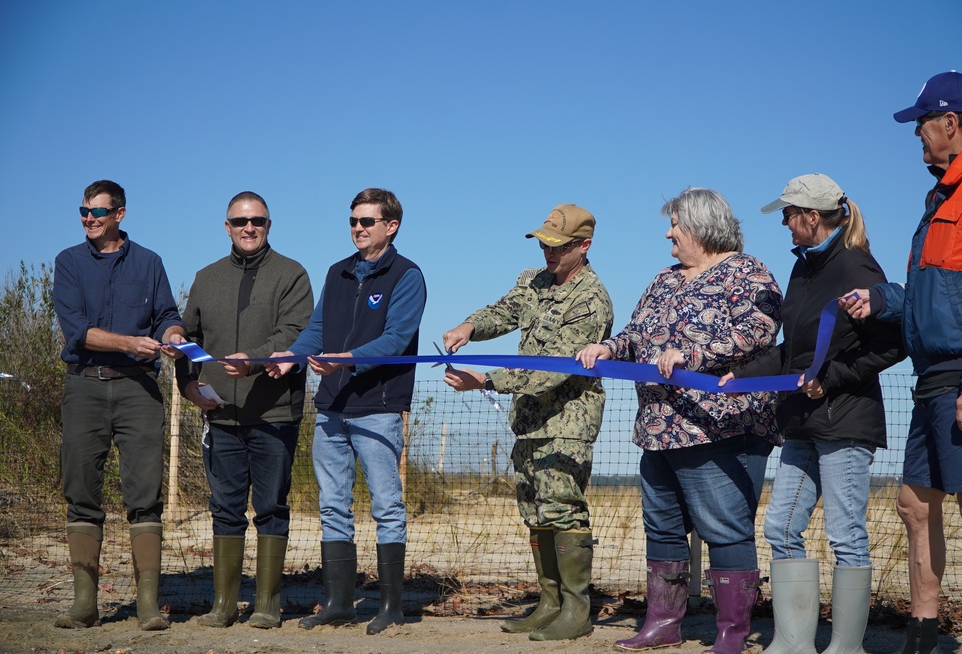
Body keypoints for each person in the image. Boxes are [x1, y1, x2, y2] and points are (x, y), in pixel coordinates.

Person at [577, 187, 782, 654]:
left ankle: (731, 633)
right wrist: (609, 347)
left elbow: (760, 329)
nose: (669, 233)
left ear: (702, 227)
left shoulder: (747, 272)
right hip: (658, 428)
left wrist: (693, 355)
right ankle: (663, 623)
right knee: (663, 528)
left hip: (719, 427)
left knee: (725, 529)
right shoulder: (663, 279)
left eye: (676, 224)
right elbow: (634, 333)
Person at [841, 71, 962, 654]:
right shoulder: (941, 198)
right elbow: (931, 297)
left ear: (949, 123)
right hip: (933, 380)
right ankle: (922, 633)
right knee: (912, 505)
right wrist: (881, 299)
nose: (918, 138)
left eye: (922, 126)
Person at [723, 175, 905, 654]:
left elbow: (893, 343)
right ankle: (793, 641)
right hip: (802, 420)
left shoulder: (856, 266)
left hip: (845, 421)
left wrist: (835, 377)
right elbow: (794, 353)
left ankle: (847, 647)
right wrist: (739, 375)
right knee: (780, 527)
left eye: (788, 213)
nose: (783, 222)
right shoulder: (802, 271)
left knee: (846, 535)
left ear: (812, 216)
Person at [441, 203, 614, 642]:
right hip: (529, 421)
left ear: (584, 246)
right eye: (544, 243)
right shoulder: (534, 281)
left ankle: (576, 610)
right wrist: (469, 326)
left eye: (558, 246)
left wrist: (486, 380)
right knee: (535, 510)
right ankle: (549, 603)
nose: (548, 253)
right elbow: (505, 310)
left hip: (566, 422)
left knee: (563, 509)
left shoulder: (591, 300)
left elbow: (554, 367)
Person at [266, 187, 426, 635]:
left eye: (367, 221)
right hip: (331, 407)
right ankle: (339, 602)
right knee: (332, 505)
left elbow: (396, 340)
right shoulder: (337, 272)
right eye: (353, 221)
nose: (358, 228)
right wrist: (291, 357)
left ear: (390, 226)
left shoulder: (408, 275)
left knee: (386, 506)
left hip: (378, 407)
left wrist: (345, 358)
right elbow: (316, 330)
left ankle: (391, 606)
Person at [175, 191, 313, 629]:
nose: (248, 228)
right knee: (225, 508)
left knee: (271, 506)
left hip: (275, 415)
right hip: (221, 416)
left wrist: (252, 359)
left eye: (257, 221)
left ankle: (268, 603)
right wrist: (186, 384)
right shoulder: (205, 278)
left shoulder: (292, 275)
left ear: (269, 225)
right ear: (227, 227)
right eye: (239, 221)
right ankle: (223, 603)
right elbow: (186, 338)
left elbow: (296, 332)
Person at [52, 179, 186, 631]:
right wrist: (130, 342)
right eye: (84, 212)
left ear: (120, 215)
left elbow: (167, 315)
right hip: (84, 387)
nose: (89, 219)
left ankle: (148, 605)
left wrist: (173, 337)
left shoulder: (150, 263)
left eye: (98, 212)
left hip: (138, 390)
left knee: (145, 495)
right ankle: (84, 604)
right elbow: (78, 329)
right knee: (81, 492)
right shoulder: (68, 263)